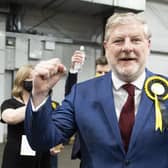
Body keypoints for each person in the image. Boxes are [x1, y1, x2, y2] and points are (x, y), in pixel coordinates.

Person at [25, 12, 168, 168]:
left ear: (148, 46)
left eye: (135, 40)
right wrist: (39, 95)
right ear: (106, 47)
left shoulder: (165, 90)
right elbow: (42, 141)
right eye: (118, 41)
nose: (127, 47)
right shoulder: (81, 94)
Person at [0, 64, 60, 168]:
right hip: (16, 159)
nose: (34, 81)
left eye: (37, 78)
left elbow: (57, 130)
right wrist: (37, 102)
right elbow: (10, 118)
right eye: (29, 78)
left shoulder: (51, 105)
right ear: (21, 81)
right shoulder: (9, 103)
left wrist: (57, 145)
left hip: (42, 159)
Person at [65, 53, 110, 161]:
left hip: (111, 150)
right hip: (88, 150)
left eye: (106, 73)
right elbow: (71, 96)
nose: (102, 75)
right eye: (99, 72)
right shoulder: (88, 90)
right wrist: (73, 70)